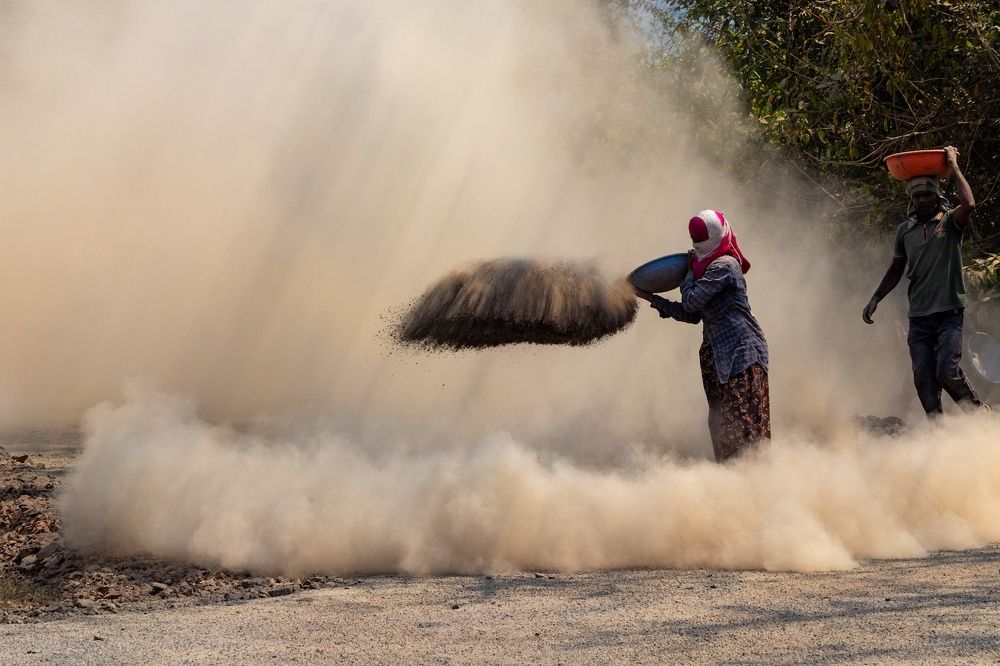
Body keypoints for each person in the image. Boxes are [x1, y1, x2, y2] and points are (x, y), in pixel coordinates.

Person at [635, 210, 770, 462]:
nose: (695, 246)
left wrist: (688, 272)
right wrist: (651, 298)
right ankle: (728, 479)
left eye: (698, 241)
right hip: (717, 355)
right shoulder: (706, 270)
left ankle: (752, 479)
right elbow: (692, 315)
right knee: (720, 425)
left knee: (741, 425)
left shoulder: (725, 267)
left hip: (742, 354)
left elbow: (691, 302)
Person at [862, 145, 987, 417]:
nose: (922, 200)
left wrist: (953, 166)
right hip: (919, 317)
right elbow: (895, 270)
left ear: (937, 196)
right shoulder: (905, 231)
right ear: (911, 199)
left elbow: (969, 204)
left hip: (948, 313)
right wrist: (875, 298)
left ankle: (979, 415)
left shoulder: (950, 223)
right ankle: (936, 433)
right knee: (923, 380)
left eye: (927, 194)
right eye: (917, 196)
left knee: (947, 371)